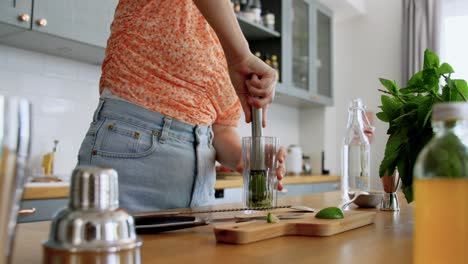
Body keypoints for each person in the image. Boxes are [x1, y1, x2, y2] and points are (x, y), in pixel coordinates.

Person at [77, 0, 285, 213]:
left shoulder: (222, 36)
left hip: (198, 192)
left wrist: (249, 158)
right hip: (132, 158)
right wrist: (241, 56)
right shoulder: (232, 46)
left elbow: (220, 129)